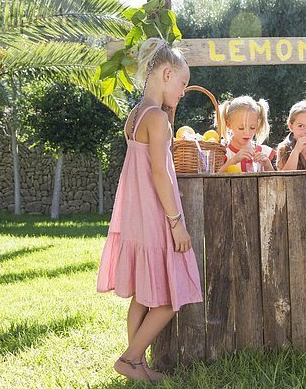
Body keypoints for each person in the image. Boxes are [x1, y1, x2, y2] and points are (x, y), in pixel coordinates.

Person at [96, 37, 203, 383]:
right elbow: (159, 172)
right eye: (183, 84)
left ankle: (137, 365)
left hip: (136, 217)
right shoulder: (157, 118)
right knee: (172, 295)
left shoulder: (136, 115)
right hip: (157, 215)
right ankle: (129, 358)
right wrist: (176, 223)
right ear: (167, 74)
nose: (184, 92)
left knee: (144, 295)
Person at [217, 96, 276, 172]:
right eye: (241, 128)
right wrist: (234, 160)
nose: (247, 132)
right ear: (228, 124)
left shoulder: (264, 152)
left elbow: (274, 180)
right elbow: (213, 178)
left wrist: (267, 165)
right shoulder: (222, 152)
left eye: (252, 127)